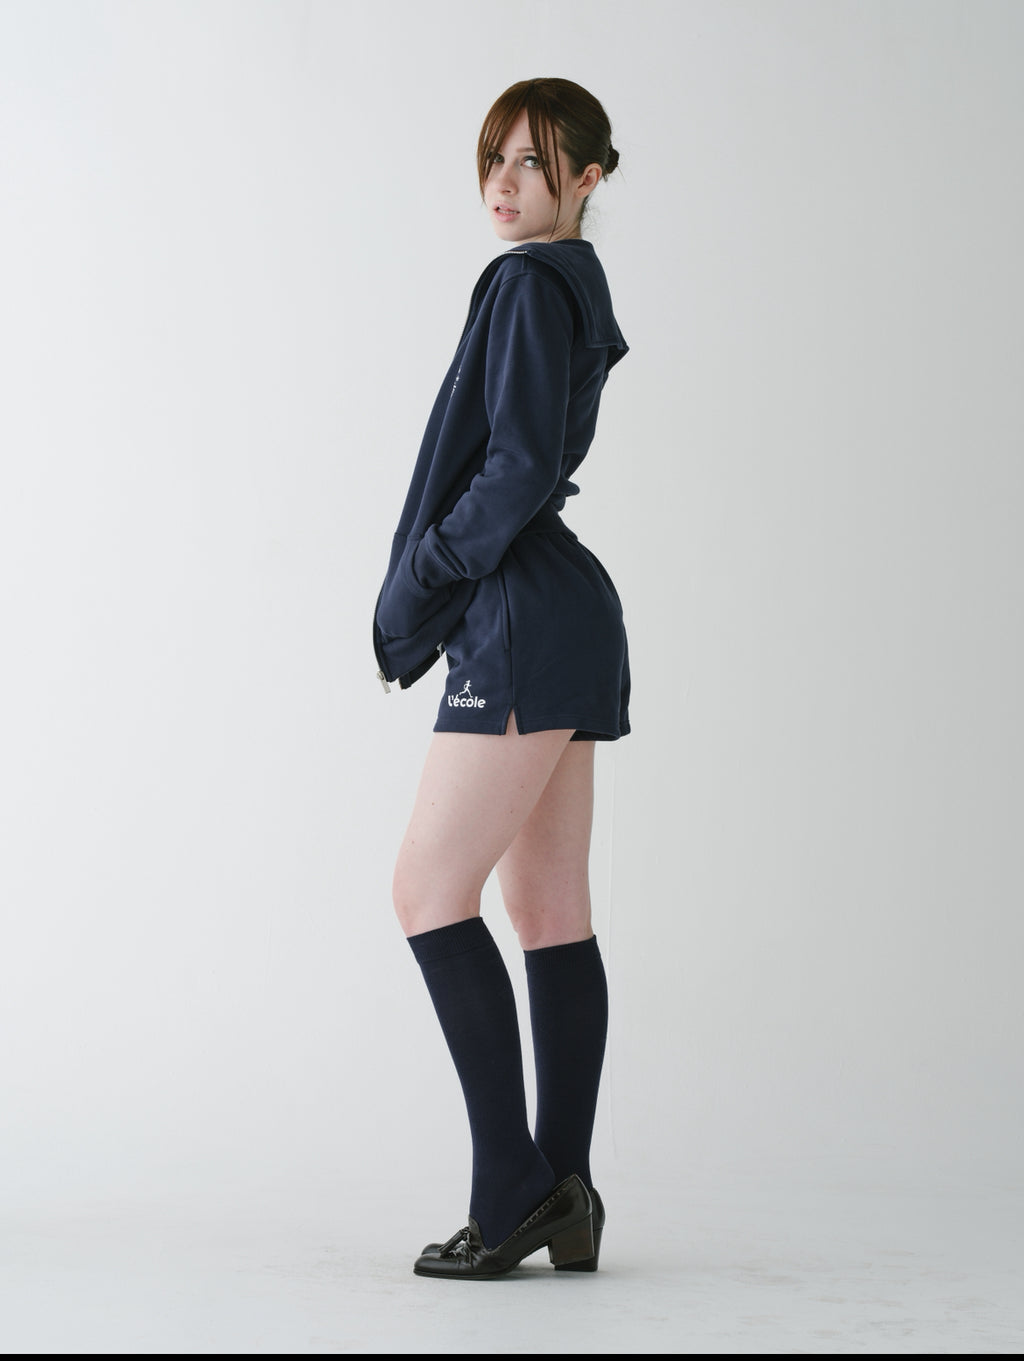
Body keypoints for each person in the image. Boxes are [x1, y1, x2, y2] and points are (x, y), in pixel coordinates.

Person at [372, 77, 630, 1280]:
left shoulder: (529, 281)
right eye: (494, 159)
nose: (505, 181)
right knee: (549, 909)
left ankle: (512, 1186)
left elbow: (517, 466)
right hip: (568, 611)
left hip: (521, 612)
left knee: (428, 889)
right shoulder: (574, 280)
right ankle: (564, 1191)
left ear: (588, 177)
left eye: (534, 160)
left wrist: (430, 567)